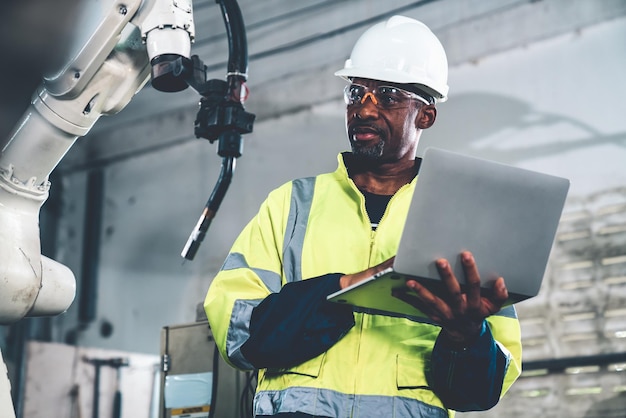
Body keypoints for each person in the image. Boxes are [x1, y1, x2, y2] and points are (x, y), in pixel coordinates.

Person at [204, 15, 522, 418]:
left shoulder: (460, 219)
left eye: (388, 96)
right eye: (356, 93)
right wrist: (344, 289)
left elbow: (482, 391)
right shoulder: (292, 203)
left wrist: (466, 336)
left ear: (426, 116)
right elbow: (238, 332)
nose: (364, 109)